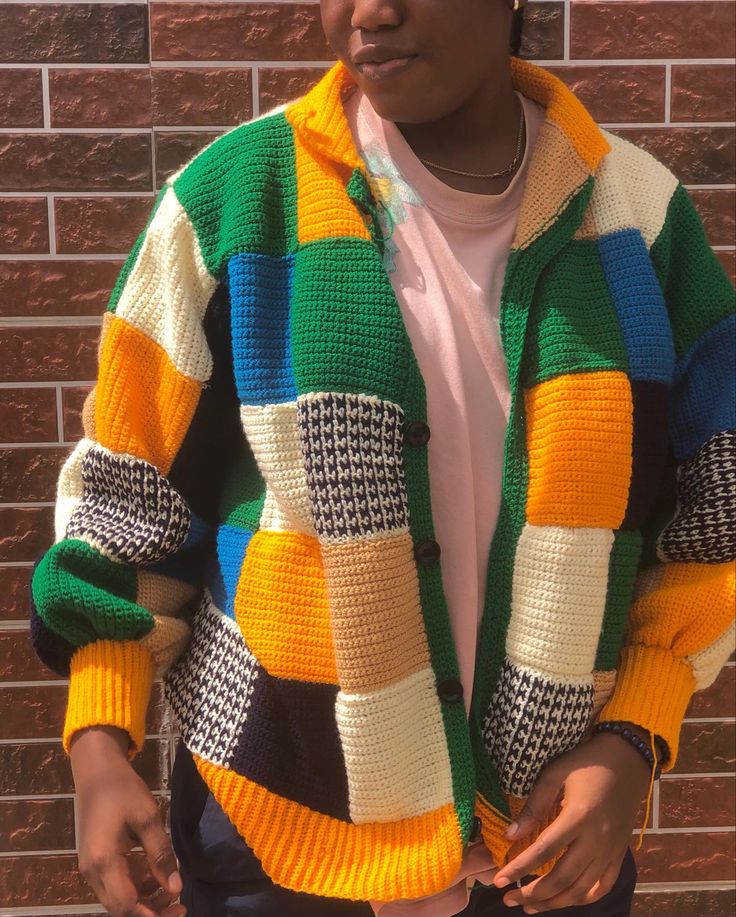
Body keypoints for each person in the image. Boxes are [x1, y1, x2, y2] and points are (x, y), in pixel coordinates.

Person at [28, 0, 735, 916]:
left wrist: (634, 734)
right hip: (281, 819)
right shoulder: (237, 200)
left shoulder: (636, 218)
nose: (370, 12)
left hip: (553, 835)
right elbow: (132, 493)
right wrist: (98, 734)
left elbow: (716, 503)